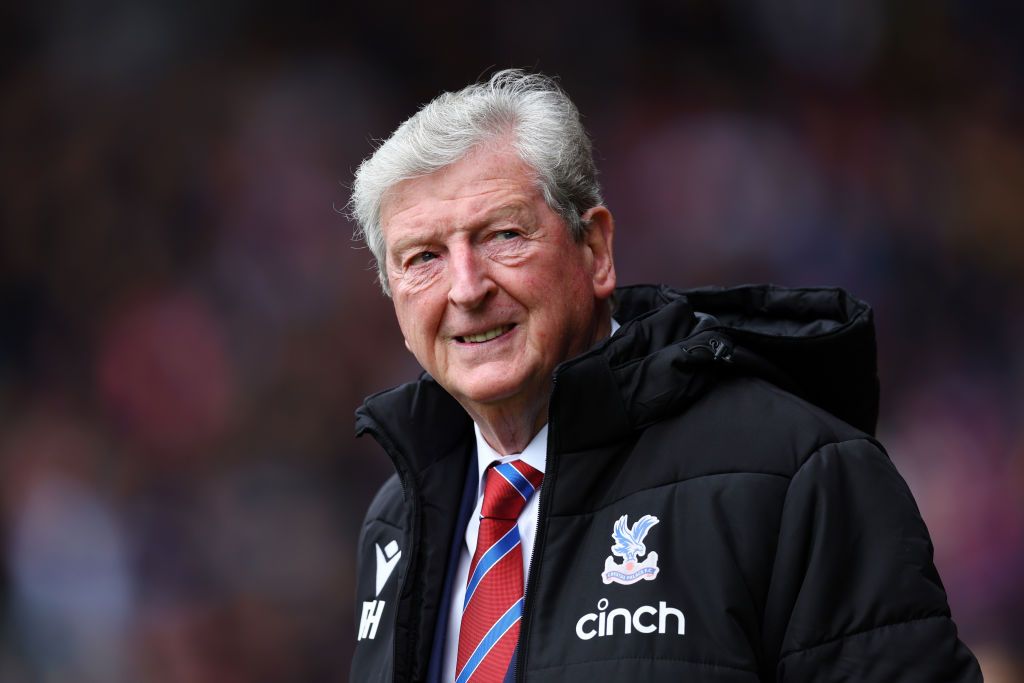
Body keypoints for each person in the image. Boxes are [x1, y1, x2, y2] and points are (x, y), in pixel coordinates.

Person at [347, 70, 981, 682]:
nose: (467, 288)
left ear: (595, 251)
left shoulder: (799, 471)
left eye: (504, 235)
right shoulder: (399, 517)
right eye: (423, 258)